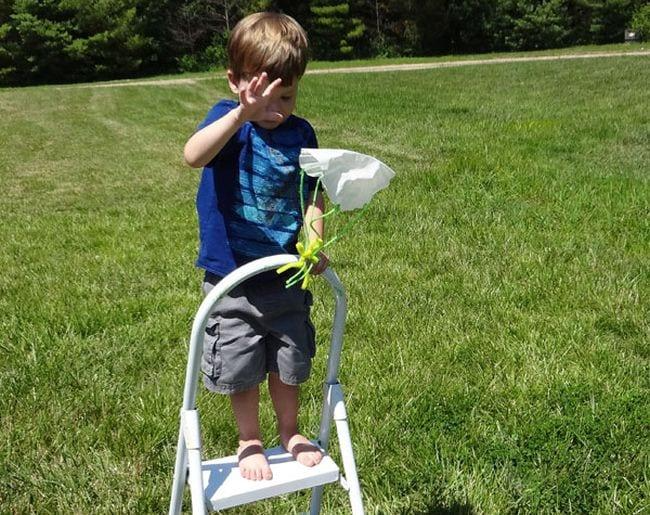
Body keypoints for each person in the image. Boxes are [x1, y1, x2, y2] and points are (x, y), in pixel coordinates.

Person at [183, 12, 328, 482]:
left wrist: (315, 240)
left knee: (289, 358)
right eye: (264, 96)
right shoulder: (228, 124)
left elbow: (312, 194)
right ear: (235, 81)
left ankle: (290, 431)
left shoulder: (301, 134)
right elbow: (193, 155)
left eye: (287, 96)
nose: (276, 108)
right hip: (233, 278)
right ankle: (249, 438)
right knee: (240, 361)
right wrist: (240, 115)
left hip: (285, 274)